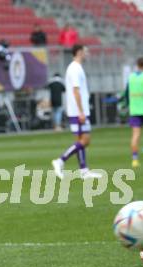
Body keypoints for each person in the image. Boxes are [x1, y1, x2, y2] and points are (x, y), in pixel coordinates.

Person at [52, 45, 101, 180]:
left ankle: (84, 170)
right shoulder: (74, 68)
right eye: (86, 51)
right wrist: (81, 111)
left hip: (78, 110)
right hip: (77, 111)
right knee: (85, 140)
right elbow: (75, 90)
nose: (87, 54)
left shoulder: (76, 67)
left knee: (81, 140)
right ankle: (60, 160)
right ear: (79, 52)